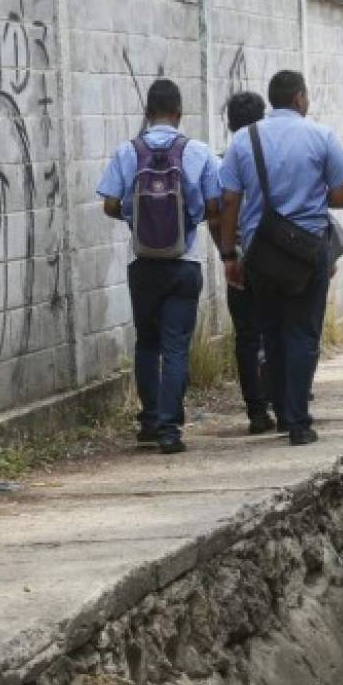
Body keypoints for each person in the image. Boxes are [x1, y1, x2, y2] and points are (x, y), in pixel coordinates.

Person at [218, 70, 343, 446]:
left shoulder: (243, 141)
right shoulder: (321, 135)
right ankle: (298, 421)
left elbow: (229, 200)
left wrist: (229, 254)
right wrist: (311, 195)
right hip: (308, 251)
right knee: (303, 334)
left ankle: (280, 411)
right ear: (299, 98)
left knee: (272, 333)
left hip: (260, 253)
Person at [97, 79, 221, 455]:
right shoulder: (198, 151)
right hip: (184, 264)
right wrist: (189, 218)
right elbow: (216, 205)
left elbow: (109, 204)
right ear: (179, 114)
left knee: (147, 344)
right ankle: (170, 430)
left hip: (144, 265)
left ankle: (149, 422)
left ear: (147, 114)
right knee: (176, 347)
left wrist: (141, 220)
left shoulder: (127, 152)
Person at [221, 90, 275, 435]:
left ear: (229, 123)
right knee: (278, 328)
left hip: (241, 257)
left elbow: (219, 211)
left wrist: (228, 254)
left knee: (246, 335)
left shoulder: (227, 156)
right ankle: (283, 398)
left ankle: (256, 410)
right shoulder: (275, 152)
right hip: (275, 254)